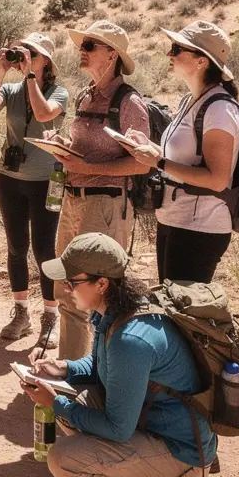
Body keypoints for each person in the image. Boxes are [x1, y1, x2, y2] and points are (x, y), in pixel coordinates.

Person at [21, 233, 216, 477]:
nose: (66, 289)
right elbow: (100, 369)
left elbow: (117, 429)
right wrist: (63, 369)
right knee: (77, 400)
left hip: (182, 454)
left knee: (63, 460)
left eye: (73, 282)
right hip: (152, 424)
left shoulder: (130, 339)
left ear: (101, 284)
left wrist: (54, 402)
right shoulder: (113, 311)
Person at [51, 20, 151, 360]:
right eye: (83, 44)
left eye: (90, 46)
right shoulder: (85, 95)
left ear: (112, 55)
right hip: (74, 200)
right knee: (68, 287)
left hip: (106, 206)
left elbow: (144, 163)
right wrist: (63, 146)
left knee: (98, 292)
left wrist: (89, 169)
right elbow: (84, 148)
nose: (82, 50)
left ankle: (102, 375)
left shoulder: (129, 102)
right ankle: (69, 372)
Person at [123, 22, 239, 283]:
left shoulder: (220, 110)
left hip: (199, 228)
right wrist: (149, 147)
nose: (169, 54)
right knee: (172, 310)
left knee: (185, 317)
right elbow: (178, 160)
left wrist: (159, 161)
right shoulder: (191, 100)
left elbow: (217, 179)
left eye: (177, 48)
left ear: (201, 62)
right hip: (175, 221)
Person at [0, 33, 69, 344]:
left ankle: (51, 315)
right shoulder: (11, 89)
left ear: (46, 61)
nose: (26, 56)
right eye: (24, 51)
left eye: (33, 53)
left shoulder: (60, 92)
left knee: (45, 250)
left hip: (46, 181)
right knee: (16, 248)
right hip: (10, 180)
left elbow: (44, 114)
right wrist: (1, 72)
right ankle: (21, 314)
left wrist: (30, 74)